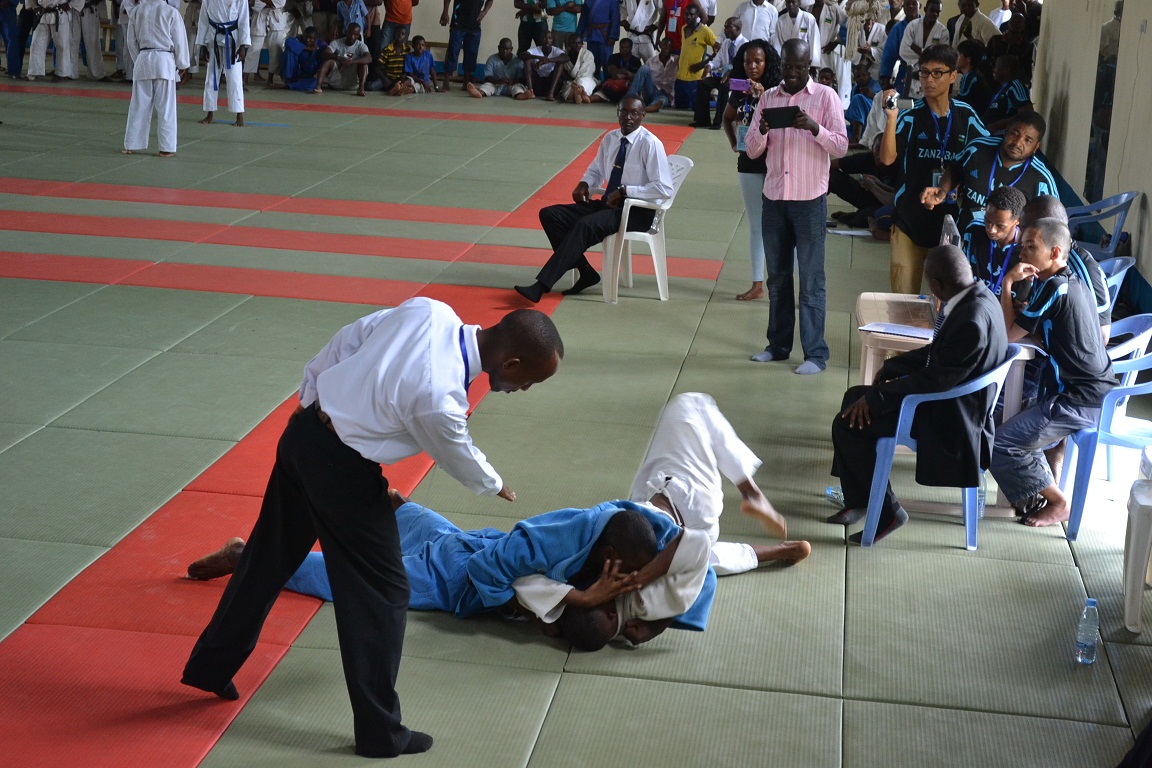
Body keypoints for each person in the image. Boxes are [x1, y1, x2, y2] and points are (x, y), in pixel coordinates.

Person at [180, 298, 564, 759]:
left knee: (268, 555)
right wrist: (495, 483)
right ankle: (380, 732)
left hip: (303, 435)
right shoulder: (440, 396)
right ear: (512, 361)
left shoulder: (430, 311)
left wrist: (310, 400)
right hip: (340, 468)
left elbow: (348, 339)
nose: (524, 389)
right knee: (382, 591)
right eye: (530, 380)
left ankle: (209, 667)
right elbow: (453, 452)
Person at [827, 245, 1009, 542]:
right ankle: (859, 499)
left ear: (936, 284)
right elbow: (940, 355)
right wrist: (892, 366)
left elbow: (936, 381)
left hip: (951, 418)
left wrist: (878, 396)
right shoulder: (979, 294)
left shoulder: (971, 320)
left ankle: (888, 513)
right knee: (852, 398)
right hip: (951, 398)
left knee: (848, 424)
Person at [990, 218, 1115, 527]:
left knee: (999, 442)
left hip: (1079, 399)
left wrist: (1007, 283)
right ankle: (1038, 490)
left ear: (1055, 251)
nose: (1022, 253)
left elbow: (1007, 335)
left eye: (1031, 247)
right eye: (1022, 246)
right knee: (1001, 420)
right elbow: (1030, 327)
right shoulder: (1067, 282)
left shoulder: (1055, 288)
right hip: (1092, 391)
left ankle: (1059, 502)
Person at [746, 38, 848, 375]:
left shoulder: (825, 97)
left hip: (809, 201)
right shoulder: (768, 97)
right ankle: (777, 346)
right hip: (774, 199)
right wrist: (760, 132)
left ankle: (816, 355)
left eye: (798, 68)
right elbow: (751, 150)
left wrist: (815, 128)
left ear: (809, 68)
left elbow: (842, 146)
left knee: (811, 280)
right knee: (777, 279)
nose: (791, 73)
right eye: (787, 67)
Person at [513, 95, 673, 303]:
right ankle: (586, 272)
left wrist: (625, 191)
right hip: (610, 204)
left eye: (634, 113)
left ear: (643, 115)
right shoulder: (611, 139)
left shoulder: (650, 144)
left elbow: (663, 188)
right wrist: (584, 184)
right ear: (617, 112)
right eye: (623, 112)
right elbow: (596, 169)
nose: (628, 117)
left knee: (584, 225)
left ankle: (541, 285)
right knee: (551, 215)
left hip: (638, 211)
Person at [878, 44, 988, 293]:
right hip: (909, 220)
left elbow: (983, 154)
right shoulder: (909, 113)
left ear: (953, 76)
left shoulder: (966, 116)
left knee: (948, 302)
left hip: (951, 223)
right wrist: (891, 118)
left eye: (937, 73)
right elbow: (886, 159)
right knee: (904, 303)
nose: (929, 79)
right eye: (924, 73)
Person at [920, 110, 1054, 231]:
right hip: (965, 238)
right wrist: (942, 191)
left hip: (1007, 252)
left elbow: (1052, 223)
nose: (1018, 143)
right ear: (1006, 131)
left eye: (1028, 140)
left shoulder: (1041, 179)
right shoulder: (977, 149)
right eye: (1015, 133)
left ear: (1036, 147)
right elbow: (955, 169)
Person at [721, 38, 781, 301]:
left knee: (780, 224)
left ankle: (781, 283)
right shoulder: (739, 90)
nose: (752, 66)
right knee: (756, 224)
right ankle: (757, 283)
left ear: (767, 62)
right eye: (747, 61)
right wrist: (736, 143)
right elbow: (727, 117)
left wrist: (763, 94)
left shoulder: (778, 90)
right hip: (748, 161)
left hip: (775, 159)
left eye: (758, 61)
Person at [123, 0, 190, 157]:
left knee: (138, 106)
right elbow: (179, 40)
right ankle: (166, 148)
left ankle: (131, 145)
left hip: (143, 58)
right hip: (164, 61)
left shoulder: (137, 11)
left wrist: (139, 59)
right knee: (166, 108)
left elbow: (131, 42)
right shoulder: (171, 12)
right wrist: (182, 64)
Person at [959, 183, 1025, 298]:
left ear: (1017, 220)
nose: (991, 230)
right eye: (987, 220)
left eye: (1000, 226)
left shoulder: (1026, 247)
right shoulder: (974, 231)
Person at [197, 0, 250, 126]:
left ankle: (239, 115)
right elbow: (203, 21)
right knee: (211, 79)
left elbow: (244, 20)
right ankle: (210, 113)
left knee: (235, 79)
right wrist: (203, 46)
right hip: (213, 40)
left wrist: (243, 46)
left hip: (233, 42)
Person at [692, 17, 745, 129]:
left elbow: (742, 66)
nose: (725, 30)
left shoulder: (745, 44)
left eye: (729, 27)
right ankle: (702, 120)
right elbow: (717, 61)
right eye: (725, 27)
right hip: (723, 76)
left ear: (738, 28)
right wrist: (709, 66)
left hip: (738, 79)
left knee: (724, 87)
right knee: (703, 83)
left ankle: (719, 122)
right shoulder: (726, 43)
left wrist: (731, 72)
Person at [897, 0, 948, 98]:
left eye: (938, 11)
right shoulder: (912, 26)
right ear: (925, 9)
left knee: (928, 107)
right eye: (932, 10)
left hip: (931, 77)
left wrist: (918, 49)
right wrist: (928, 54)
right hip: (912, 74)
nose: (935, 14)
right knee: (910, 107)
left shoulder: (943, 31)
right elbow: (903, 50)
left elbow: (940, 56)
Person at [439, 0, 492, 91]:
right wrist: (445, 12)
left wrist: (484, 12)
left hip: (475, 24)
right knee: (453, 50)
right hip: (458, 22)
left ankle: (466, 83)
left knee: (471, 53)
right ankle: (446, 81)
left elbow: (490, 1)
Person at [675, 2, 718, 109]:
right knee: (680, 107)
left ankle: (719, 102)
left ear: (698, 15)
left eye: (692, 14)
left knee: (696, 107)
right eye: (686, 14)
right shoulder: (683, 28)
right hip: (681, 76)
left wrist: (703, 64)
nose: (688, 17)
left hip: (695, 77)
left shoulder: (705, 31)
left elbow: (718, 50)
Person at [313, 21, 370, 94]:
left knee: (364, 64)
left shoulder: (361, 46)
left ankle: (361, 89)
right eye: (350, 33)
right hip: (337, 80)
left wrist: (351, 61)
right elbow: (324, 54)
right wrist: (339, 58)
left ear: (358, 35)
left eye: (355, 35)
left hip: (353, 82)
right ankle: (318, 87)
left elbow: (369, 58)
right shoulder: (336, 42)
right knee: (328, 62)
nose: (352, 36)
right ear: (346, 32)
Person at [26, 0, 76, 81]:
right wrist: (34, 6)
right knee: (36, 44)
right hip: (43, 13)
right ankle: (34, 72)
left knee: (62, 45)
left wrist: (70, 5)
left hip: (60, 13)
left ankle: (61, 74)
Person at [466, 36, 531, 98]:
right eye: (502, 49)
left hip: (512, 85)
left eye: (507, 49)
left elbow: (521, 79)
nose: (504, 51)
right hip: (496, 85)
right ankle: (479, 93)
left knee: (518, 87)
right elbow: (487, 78)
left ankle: (521, 95)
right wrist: (499, 81)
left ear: (511, 49)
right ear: (498, 48)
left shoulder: (517, 60)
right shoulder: (492, 59)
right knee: (487, 86)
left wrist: (513, 81)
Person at [626, 35, 677, 112]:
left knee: (659, 102)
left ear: (672, 48)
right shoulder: (651, 61)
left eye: (669, 46)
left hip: (665, 93)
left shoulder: (677, 61)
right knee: (644, 68)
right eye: (664, 45)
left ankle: (645, 109)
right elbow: (642, 77)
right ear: (660, 46)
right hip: (650, 89)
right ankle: (629, 100)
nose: (667, 48)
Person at [982, 54, 1031, 133]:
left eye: (996, 67)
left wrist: (996, 125)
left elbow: (1026, 114)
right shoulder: (1002, 88)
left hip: (1002, 137)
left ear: (1006, 70)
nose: (994, 70)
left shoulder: (1015, 86)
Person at [245, 0, 290, 87]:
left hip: (276, 20)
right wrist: (269, 2)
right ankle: (245, 78)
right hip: (259, 18)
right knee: (254, 49)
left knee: (275, 51)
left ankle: (270, 78)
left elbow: (280, 3)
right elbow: (250, 2)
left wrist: (261, 2)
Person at [877, 0, 916, 95]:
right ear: (904, 6)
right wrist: (885, 76)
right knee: (902, 103)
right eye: (908, 4)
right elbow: (889, 54)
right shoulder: (898, 28)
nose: (911, 7)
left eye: (914, 4)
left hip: (925, 72)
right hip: (904, 71)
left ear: (920, 5)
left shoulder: (927, 25)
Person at [591, 37, 642, 103]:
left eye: (626, 48)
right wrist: (626, 73)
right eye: (622, 47)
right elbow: (612, 72)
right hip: (612, 86)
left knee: (634, 98)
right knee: (595, 97)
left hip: (627, 87)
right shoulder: (613, 57)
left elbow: (635, 77)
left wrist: (624, 72)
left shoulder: (636, 61)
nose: (623, 49)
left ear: (631, 48)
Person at [774, 0, 821, 68]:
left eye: (793, 2)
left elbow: (814, 41)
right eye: (788, 2)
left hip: (804, 59)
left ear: (799, 3)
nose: (791, 4)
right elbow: (777, 43)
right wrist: (779, 61)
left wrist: (813, 64)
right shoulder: (781, 20)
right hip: (787, 59)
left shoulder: (808, 18)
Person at [577, 0, 617, 76]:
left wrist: (613, 36)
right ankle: (595, 83)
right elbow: (583, 17)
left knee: (607, 62)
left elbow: (615, 18)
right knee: (592, 62)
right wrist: (579, 35)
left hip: (605, 35)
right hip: (591, 34)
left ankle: (608, 84)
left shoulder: (612, 1)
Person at [280, 25, 327, 91]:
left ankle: (288, 86)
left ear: (316, 38)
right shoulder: (299, 39)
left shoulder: (321, 45)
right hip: (295, 73)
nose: (307, 40)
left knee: (315, 83)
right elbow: (288, 42)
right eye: (306, 37)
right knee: (289, 51)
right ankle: (288, 80)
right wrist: (307, 48)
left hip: (309, 76)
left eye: (311, 38)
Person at [524, 29, 566, 99]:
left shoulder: (556, 50)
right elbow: (523, 55)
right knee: (527, 60)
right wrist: (539, 57)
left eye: (550, 38)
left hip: (551, 84)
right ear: (540, 40)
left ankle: (550, 94)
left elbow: (566, 57)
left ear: (553, 40)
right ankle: (530, 92)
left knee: (560, 63)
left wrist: (548, 60)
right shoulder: (535, 50)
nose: (547, 41)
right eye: (544, 38)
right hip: (537, 83)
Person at [955, 38, 992, 116]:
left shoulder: (971, 77)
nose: (956, 58)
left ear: (968, 59)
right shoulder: (973, 74)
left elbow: (962, 102)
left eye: (959, 55)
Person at [557, 35, 596, 103]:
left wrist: (576, 82)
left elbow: (585, 72)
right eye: (573, 43)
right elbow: (562, 73)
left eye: (578, 43)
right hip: (570, 81)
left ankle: (580, 91)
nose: (576, 45)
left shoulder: (587, 54)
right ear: (568, 44)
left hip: (585, 78)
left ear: (582, 44)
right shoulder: (564, 55)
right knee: (567, 91)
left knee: (583, 83)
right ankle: (579, 95)